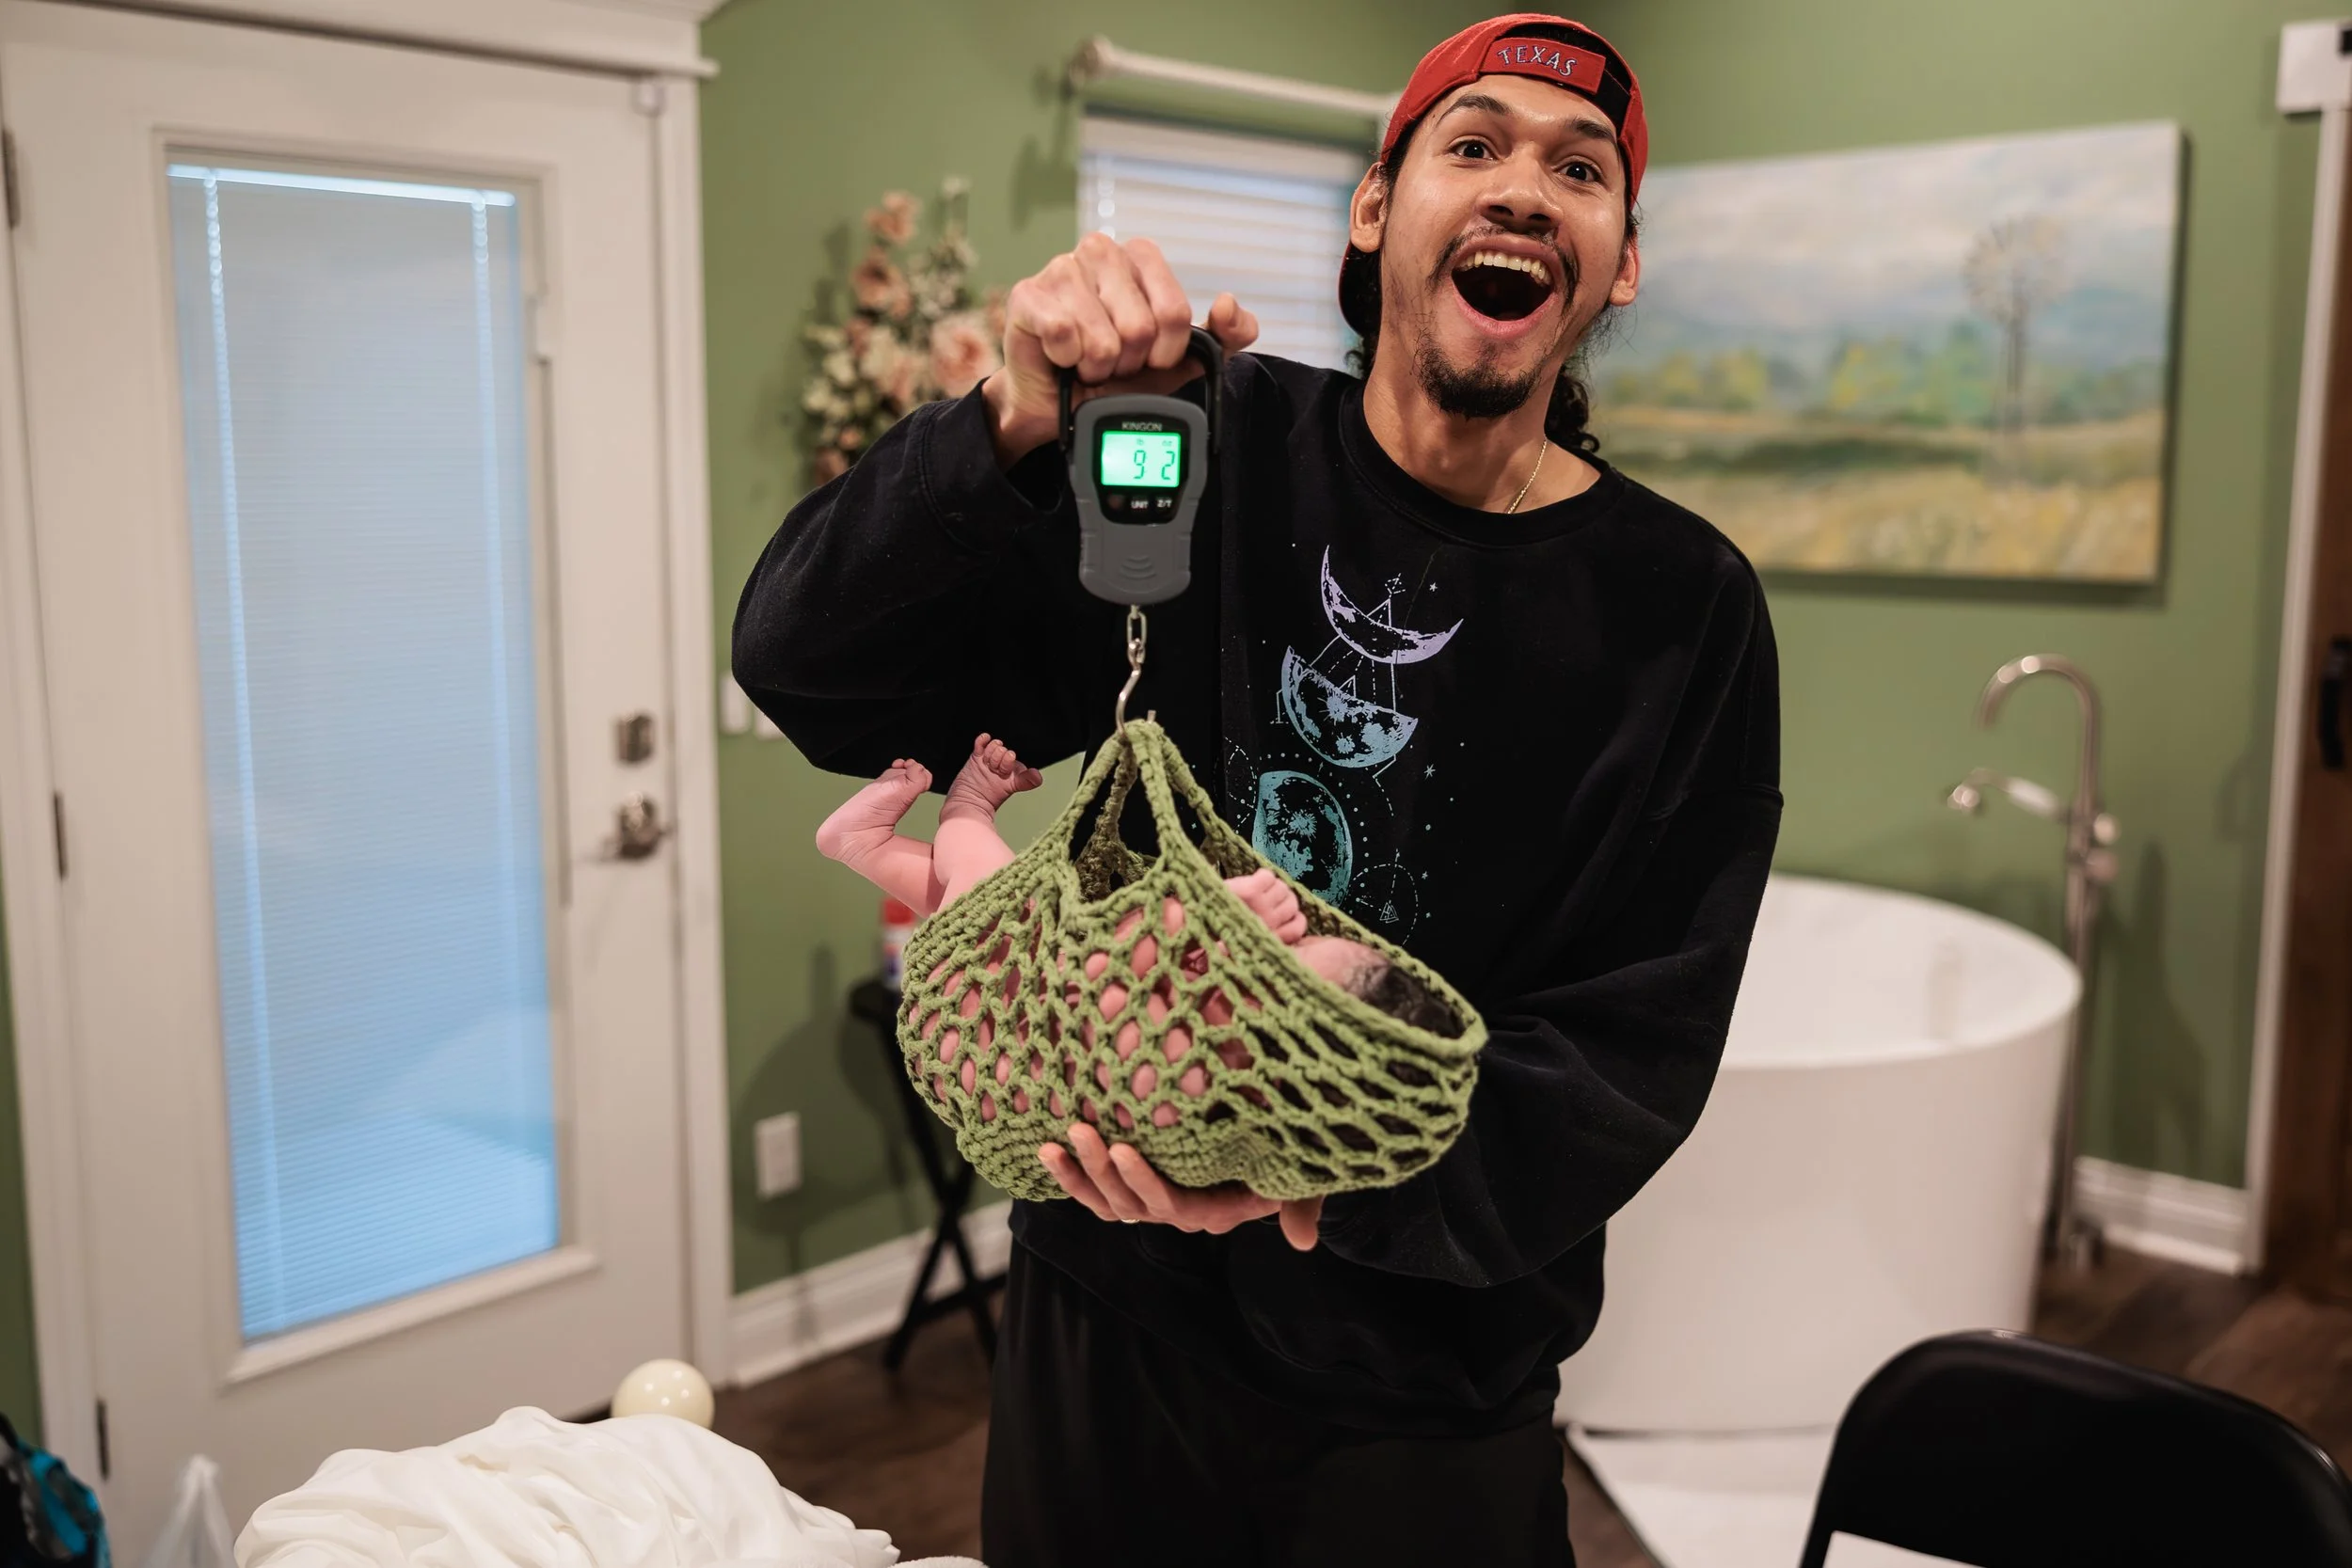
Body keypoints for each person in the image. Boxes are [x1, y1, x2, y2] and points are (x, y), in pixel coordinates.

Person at [734, 13, 1782, 1565]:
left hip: (1424, 1396)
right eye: (1472, 144)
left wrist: (1305, 1179)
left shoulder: (1681, 610)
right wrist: (1010, 421)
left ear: (1617, 261)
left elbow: (1630, 1056)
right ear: (1378, 210)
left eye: (1580, 169)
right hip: (1107, 1331)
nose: (1521, 189)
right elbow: (816, 677)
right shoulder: (1216, 448)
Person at [814, 731, 1462, 1137]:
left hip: (987, 1023)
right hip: (986, 1030)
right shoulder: (1210, 1108)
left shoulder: (1174, 1076)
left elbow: (1121, 953)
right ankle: (861, 847)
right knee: (972, 913)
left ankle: (966, 806)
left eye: (1281, 964)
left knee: (994, 883)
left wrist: (1215, 910)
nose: (1267, 950)